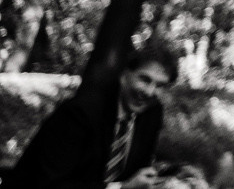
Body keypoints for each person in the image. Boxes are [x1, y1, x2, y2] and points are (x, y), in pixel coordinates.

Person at [1, 39, 176, 188]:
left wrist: (169, 176)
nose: (150, 92)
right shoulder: (80, 113)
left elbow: (139, 169)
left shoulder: (151, 114)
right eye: (144, 79)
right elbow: (50, 183)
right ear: (124, 74)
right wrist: (122, 188)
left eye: (160, 85)